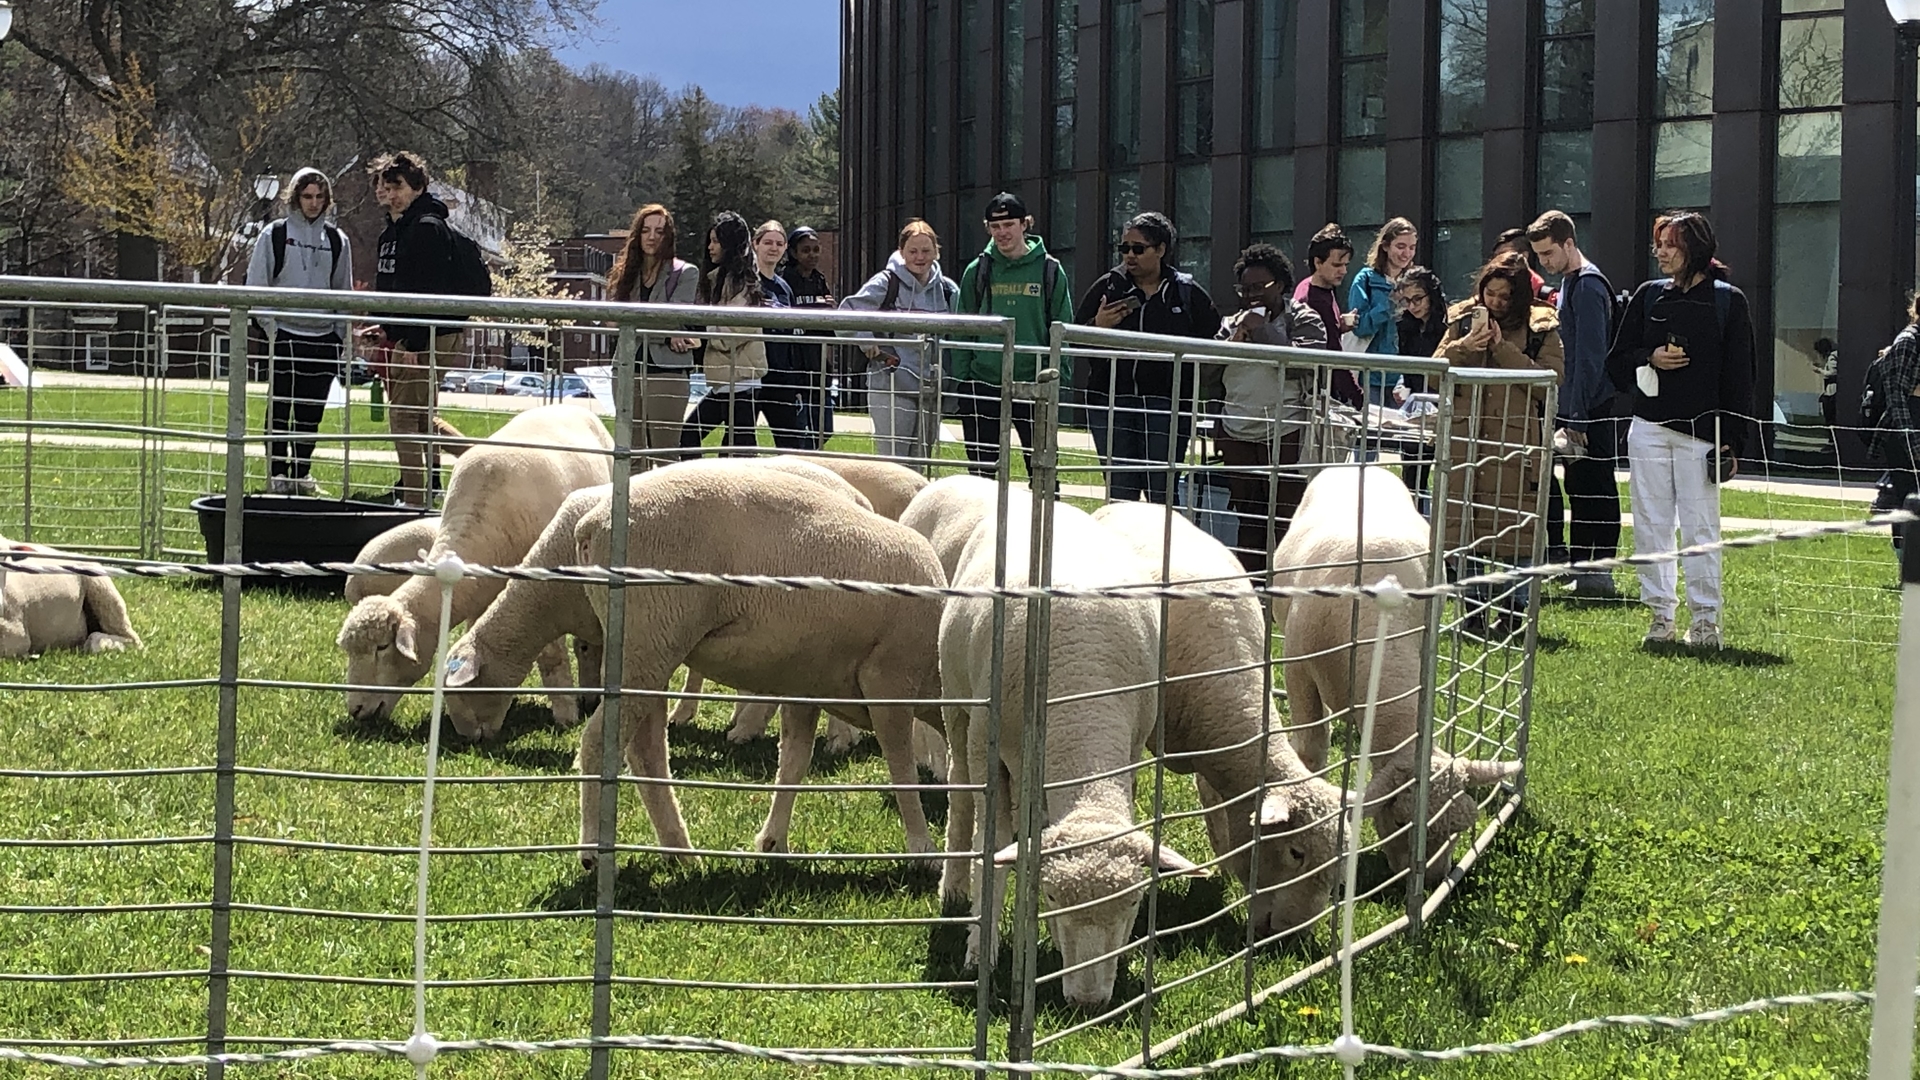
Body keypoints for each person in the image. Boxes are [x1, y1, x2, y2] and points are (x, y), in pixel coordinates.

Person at [1604, 211, 1757, 650]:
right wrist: (1650, 357)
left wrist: (1732, 439)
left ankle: (1706, 621)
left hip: (1702, 434)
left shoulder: (1728, 301)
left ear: (1695, 249)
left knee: (1700, 528)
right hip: (1649, 427)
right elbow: (1617, 360)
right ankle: (1660, 617)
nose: (1661, 252)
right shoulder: (1649, 297)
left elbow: (1741, 377)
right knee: (1651, 525)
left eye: (1671, 243)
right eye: (1659, 243)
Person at [1435, 252, 1566, 631]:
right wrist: (1467, 347)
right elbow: (1433, 373)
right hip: (1465, 441)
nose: (1494, 303)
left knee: (1518, 531)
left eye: (1505, 296)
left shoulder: (1541, 326)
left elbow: (1551, 382)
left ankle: (1514, 611)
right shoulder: (1461, 320)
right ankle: (1471, 611)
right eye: (1489, 293)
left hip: (1515, 443)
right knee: (1463, 527)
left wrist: (1503, 350)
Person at [1075, 211, 1224, 504]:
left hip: (1166, 407)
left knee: (1163, 494)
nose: (1129, 255)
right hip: (1110, 402)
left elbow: (1215, 340)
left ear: (1161, 250)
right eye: (1124, 248)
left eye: (1138, 248)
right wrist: (1098, 326)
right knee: (1120, 495)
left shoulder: (1186, 292)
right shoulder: (1109, 286)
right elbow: (1074, 337)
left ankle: (1163, 550)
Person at [1200, 242, 1327, 570]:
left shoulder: (1303, 317)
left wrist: (1264, 332)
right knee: (1248, 516)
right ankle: (1251, 592)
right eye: (1244, 289)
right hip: (1238, 431)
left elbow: (1307, 365)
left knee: (1288, 517)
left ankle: (1288, 591)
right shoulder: (1231, 323)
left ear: (1281, 285)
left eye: (1259, 287)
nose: (1251, 296)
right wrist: (1233, 342)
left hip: (1287, 431)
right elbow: (1205, 375)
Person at [1529, 209, 1623, 597]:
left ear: (1569, 243)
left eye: (1549, 253)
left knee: (1594, 488)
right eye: (1539, 256)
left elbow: (1588, 358)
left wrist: (1577, 419)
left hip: (1589, 408)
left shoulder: (1586, 285)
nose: (1544, 263)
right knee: (1581, 488)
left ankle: (1596, 572)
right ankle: (1584, 568)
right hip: (1577, 406)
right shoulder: (1572, 282)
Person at [244, 166, 353, 496]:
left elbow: (343, 293)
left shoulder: (337, 240)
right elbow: (256, 286)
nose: (313, 202)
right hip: (285, 335)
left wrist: (339, 335)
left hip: (323, 339)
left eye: (320, 197)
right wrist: (271, 328)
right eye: (307, 196)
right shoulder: (273, 235)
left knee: (311, 411)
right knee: (280, 407)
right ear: (295, 197)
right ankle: (277, 472)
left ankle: (302, 472)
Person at [952, 191, 1075, 477]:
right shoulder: (977, 270)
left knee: (1043, 472)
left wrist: (1058, 377)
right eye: (995, 227)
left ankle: (1045, 522)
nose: (1002, 233)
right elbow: (962, 328)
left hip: (1035, 385)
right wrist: (962, 381)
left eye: (1009, 225)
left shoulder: (1050, 270)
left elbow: (1062, 325)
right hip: (982, 383)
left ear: (1024, 224)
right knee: (982, 474)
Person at [365, 150, 463, 508]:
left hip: (429, 336)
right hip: (405, 334)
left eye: (397, 187)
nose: (389, 194)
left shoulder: (426, 229)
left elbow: (431, 293)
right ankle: (475, 465)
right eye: (383, 186)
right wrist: (386, 328)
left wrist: (413, 344)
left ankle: (414, 497)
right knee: (419, 418)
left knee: (404, 417)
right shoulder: (392, 232)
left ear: (418, 187)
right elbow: (396, 291)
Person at [839, 219, 957, 460]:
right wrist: (867, 341)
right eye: (913, 251)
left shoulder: (948, 290)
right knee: (892, 464)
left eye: (926, 251)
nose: (920, 257)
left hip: (930, 391)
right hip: (890, 387)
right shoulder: (885, 282)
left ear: (936, 252)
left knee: (921, 462)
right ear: (901, 252)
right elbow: (845, 313)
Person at [607, 202, 701, 461]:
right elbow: (614, 322)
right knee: (630, 453)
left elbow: (673, 317)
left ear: (668, 236)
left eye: (659, 231)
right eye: (645, 230)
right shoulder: (624, 273)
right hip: (626, 368)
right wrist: (668, 334)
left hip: (667, 372)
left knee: (665, 453)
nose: (651, 237)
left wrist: (658, 329)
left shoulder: (685, 273)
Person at [681, 212, 768, 455]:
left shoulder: (747, 285)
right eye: (710, 241)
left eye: (716, 241)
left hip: (743, 384)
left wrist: (701, 331)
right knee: (690, 437)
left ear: (730, 244)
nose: (710, 247)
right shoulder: (716, 281)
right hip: (723, 384)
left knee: (734, 454)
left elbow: (732, 332)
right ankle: (703, 489)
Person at [750, 220, 815, 450]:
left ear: (785, 247)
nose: (773, 248)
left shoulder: (784, 287)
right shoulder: (747, 282)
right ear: (755, 244)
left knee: (791, 446)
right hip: (752, 376)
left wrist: (795, 381)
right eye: (767, 242)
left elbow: (791, 340)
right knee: (742, 444)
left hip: (781, 378)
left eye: (779, 243)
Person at [1864, 300, 1920, 552]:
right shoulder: (1909, 341)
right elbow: (1896, 396)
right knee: (1907, 499)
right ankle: (1906, 566)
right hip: (1907, 428)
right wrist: (1911, 441)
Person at [1294, 224, 1366, 408]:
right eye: (1336, 265)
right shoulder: (1316, 300)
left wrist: (1338, 326)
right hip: (1318, 393)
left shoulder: (1309, 286)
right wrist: (1358, 396)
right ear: (1318, 262)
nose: (1343, 271)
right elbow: (1334, 356)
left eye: (1345, 265)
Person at [1349, 218, 1418, 406]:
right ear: (1385, 246)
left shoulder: (1416, 281)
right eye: (1401, 246)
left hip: (1404, 378)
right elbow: (1360, 327)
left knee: (1402, 434)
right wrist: (1389, 304)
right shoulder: (1364, 279)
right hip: (1370, 376)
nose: (1407, 254)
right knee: (1370, 433)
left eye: (1412, 248)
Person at [780, 225, 837, 444]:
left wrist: (828, 308)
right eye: (806, 250)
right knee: (800, 430)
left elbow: (828, 321)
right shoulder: (785, 279)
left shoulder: (819, 280)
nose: (812, 255)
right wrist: (816, 306)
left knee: (825, 428)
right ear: (794, 252)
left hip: (818, 364)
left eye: (816, 249)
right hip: (794, 366)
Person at [1493, 226, 1554, 304]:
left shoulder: (1548, 298)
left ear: (1524, 256)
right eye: (1495, 256)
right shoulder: (1487, 295)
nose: (1498, 261)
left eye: (1504, 254)